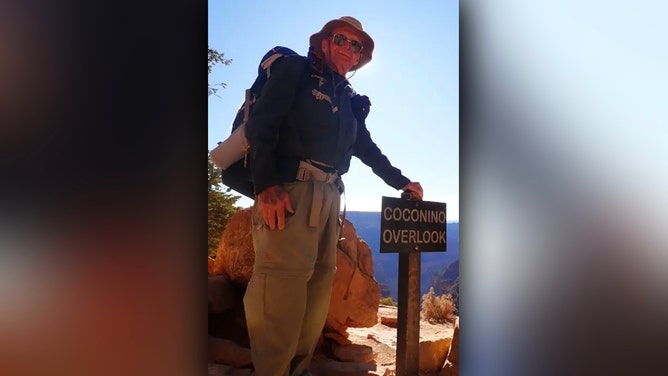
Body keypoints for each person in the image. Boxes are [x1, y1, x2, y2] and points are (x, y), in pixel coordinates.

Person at [243, 16, 423, 376]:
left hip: (330, 195)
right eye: (340, 39)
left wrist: (401, 182)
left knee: (317, 286)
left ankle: (299, 369)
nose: (347, 48)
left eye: (355, 45)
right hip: (290, 191)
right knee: (281, 287)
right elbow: (262, 125)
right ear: (324, 43)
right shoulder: (295, 70)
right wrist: (265, 185)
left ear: (359, 58)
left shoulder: (348, 98)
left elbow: (366, 148)